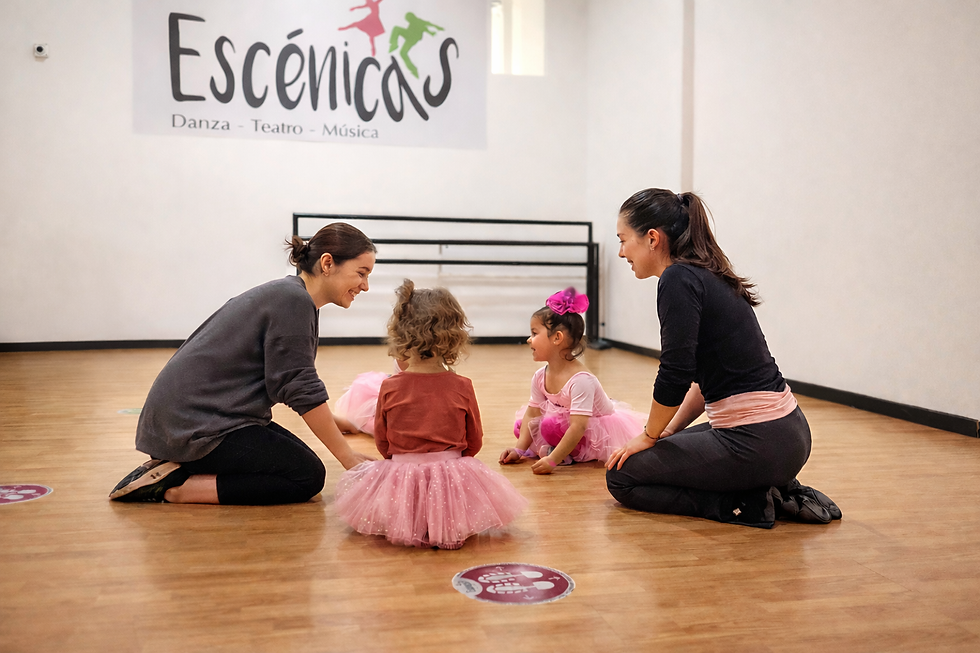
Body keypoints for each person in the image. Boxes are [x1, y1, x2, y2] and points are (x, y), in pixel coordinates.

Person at [605, 189, 841, 527]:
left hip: (759, 441)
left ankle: (744, 503)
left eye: (623, 240)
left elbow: (675, 373)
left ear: (652, 238)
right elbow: (703, 380)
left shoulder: (677, 279)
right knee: (642, 457)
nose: (621, 252)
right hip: (788, 435)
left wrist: (649, 435)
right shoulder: (704, 273)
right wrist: (668, 430)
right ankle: (766, 489)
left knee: (622, 477)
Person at [108, 223, 378, 505]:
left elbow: (285, 380)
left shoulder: (291, 295)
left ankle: (176, 466)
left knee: (300, 461)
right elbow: (298, 385)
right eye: (361, 273)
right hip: (194, 427)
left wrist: (336, 424)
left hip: (192, 421)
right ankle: (174, 487)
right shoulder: (293, 301)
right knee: (306, 476)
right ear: (327, 263)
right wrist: (348, 457)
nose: (365, 286)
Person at [334, 280, 527, 549]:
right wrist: (450, 467)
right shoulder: (462, 386)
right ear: (454, 337)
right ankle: (445, 523)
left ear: (400, 334)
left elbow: (383, 442)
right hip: (451, 471)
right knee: (454, 494)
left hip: (402, 472)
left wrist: (405, 464)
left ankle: (415, 519)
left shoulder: (389, 387)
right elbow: (475, 441)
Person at [499, 288, 644, 474]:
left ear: (557, 338)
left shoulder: (581, 381)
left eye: (535, 333)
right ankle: (558, 449)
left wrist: (552, 461)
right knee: (522, 426)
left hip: (593, 427)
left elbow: (578, 426)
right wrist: (519, 450)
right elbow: (533, 412)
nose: (529, 340)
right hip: (568, 419)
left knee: (549, 427)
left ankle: (566, 454)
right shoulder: (539, 376)